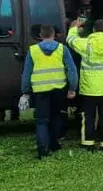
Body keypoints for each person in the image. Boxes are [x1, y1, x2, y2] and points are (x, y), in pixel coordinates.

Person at [19, 24, 78, 159]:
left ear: (40, 35)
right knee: (56, 116)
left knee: (41, 120)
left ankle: (42, 149)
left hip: (40, 90)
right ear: (53, 35)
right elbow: (71, 69)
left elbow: (26, 73)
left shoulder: (33, 50)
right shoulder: (62, 49)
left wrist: (25, 91)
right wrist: (72, 88)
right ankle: (54, 144)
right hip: (59, 89)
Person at [69, 17, 103, 150]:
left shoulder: (86, 43)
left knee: (88, 116)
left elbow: (71, 40)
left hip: (89, 88)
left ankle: (88, 143)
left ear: (93, 30)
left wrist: (74, 27)